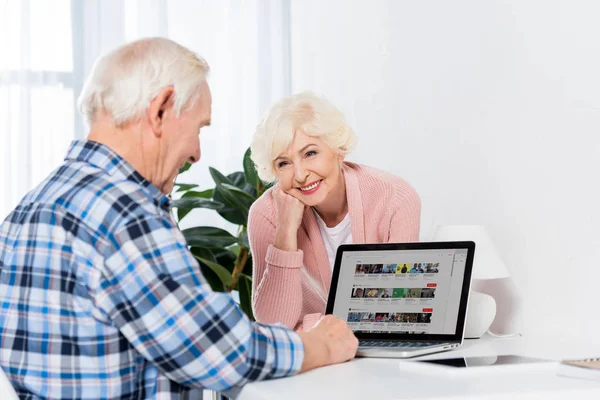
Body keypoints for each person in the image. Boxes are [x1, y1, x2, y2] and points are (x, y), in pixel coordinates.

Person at [0, 38, 358, 399]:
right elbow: (216, 349)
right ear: (160, 109)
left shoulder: (28, 209)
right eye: (199, 128)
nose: (197, 154)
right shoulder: (123, 212)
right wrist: (321, 346)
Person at [248, 91, 421, 331]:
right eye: (284, 163)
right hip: (312, 362)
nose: (299, 175)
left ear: (338, 150)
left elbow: (397, 309)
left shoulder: (395, 198)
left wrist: (315, 325)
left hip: (385, 358)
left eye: (310, 153)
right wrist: (286, 232)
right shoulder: (266, 214)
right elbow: (273, 327)